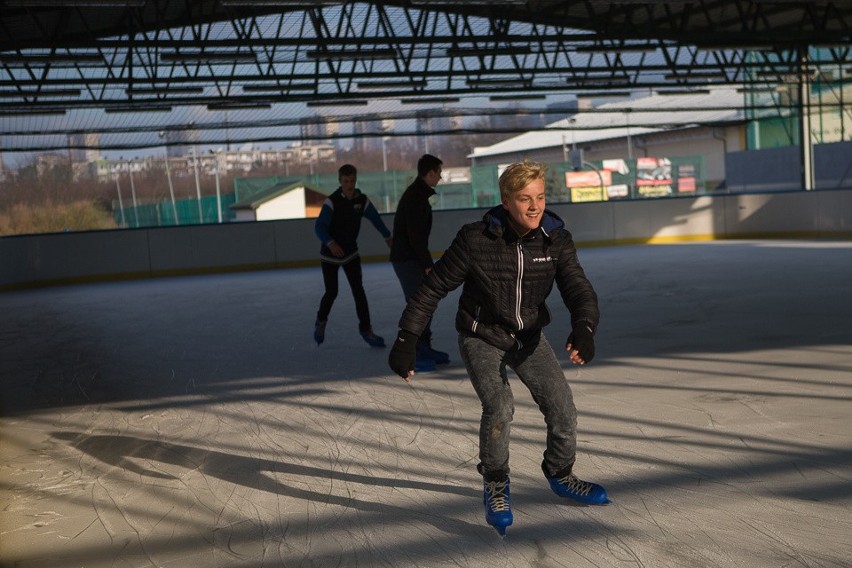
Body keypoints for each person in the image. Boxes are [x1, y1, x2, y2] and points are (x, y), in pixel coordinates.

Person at [387, 159, 610, 535]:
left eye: (540, 197)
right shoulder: (476, 239)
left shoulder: (556, 240)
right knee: (500, 405)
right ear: (506, 201)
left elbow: (578, 288)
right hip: (482, 335)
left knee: (563, 410)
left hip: (528, 337)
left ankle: (560, 473)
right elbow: (433, 288)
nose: (536, 206)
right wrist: (408, 338)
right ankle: (495, 482)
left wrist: (584, 327)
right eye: (525, 199)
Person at [314, 163, 392, 348]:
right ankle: (321, 321)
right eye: (345, 181)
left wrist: (387, 236)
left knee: (359, 291)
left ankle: (366, 329)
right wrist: (330, 243)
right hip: (330, 255)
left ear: (356, 180)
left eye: (352, 181)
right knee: (332, 292)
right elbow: (319, 227)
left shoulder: (361, 201)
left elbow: (375, 218)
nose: (349, 184)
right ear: (340, 181)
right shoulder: (332, 202)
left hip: (350, 253)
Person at [389, 153, 449, 372]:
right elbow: (415, 237)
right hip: (407, 259)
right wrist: (427, 263)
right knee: (419, 304)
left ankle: (424, 346)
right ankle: (413, 353)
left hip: (411, 257)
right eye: (439, 173)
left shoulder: (419, 195)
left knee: (425, 302)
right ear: (430, 173)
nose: (440, 178)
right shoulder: (415, 197)